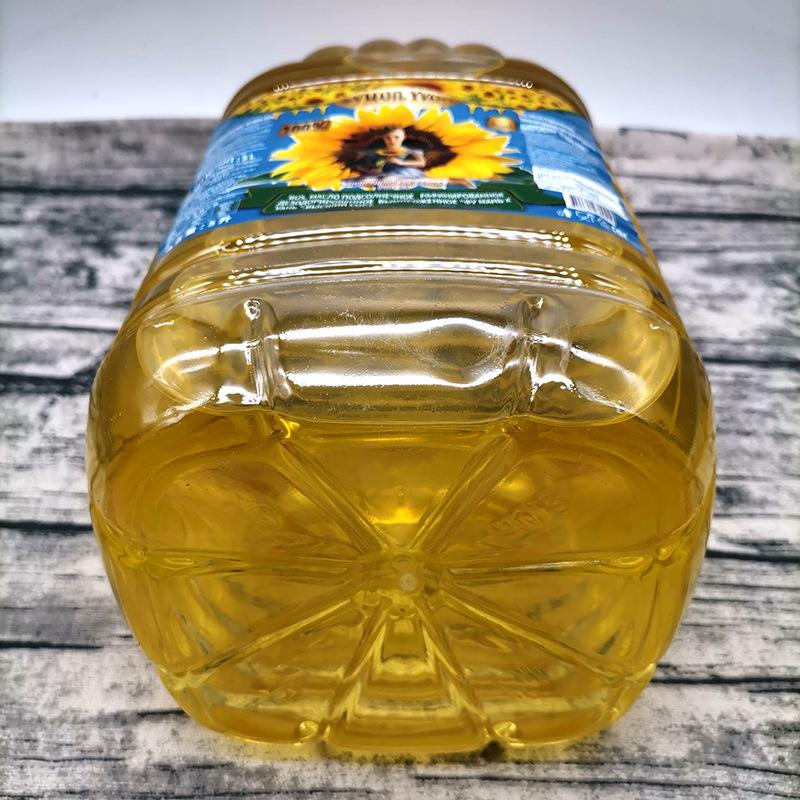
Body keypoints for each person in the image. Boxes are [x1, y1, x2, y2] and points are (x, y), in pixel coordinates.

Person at [356, 127, 426, 178]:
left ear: (404, 137)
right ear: (383, 138)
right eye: (388, 138)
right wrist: (370, 171)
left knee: (389, 180)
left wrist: (401, 162)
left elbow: (422, 163)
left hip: (402, 173)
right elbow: (359, 165)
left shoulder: (408, 150)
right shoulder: (377, 152)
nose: (392, 141)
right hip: (381, 174)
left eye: (396, 137)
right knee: (367, 180)